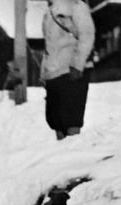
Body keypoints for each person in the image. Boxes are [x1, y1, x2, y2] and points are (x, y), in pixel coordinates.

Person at [41, 0, 95, 140]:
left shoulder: (76, 5)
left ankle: (71, 158)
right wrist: (44, 73)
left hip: (71, 71)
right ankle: (62, 158)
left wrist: (77, 64)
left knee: (71, 121)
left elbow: (87, 35)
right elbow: (48, 47)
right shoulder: (49, 11)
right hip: (53, 72)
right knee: (56, 122)